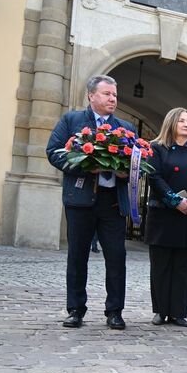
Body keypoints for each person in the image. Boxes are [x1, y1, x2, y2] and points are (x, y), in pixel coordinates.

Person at [46, 75, 137, 330]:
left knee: (117, 257)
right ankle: (75, 309)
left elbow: (139, 164)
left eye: (115, 95)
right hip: (81, 200)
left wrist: (127, 172)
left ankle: (115, 311)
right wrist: (86, 167)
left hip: (113, 203)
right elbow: (54, 152)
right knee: (77, 256)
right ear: (91, 96)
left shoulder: (127, 128)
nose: (112, 99)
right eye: (107, 94)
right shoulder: (72, 121)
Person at [145, 108, 187, 328]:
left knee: (182, 266)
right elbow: (155, 176)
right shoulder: (157, 148)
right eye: (181, 121)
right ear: (171, 123)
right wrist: (174, 200)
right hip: (163, 213)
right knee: (160, 265)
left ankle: (179, 312)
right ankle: (161, 310)